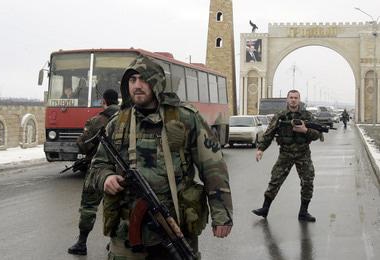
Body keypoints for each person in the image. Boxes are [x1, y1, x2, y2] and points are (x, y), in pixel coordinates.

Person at [88, 56, 233, 259]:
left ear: (156, 82)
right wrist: (106, 178)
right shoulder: (118, 122)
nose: (137, 86)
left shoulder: (185, 118)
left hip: (173, 224)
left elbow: (213, 167)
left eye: (143, 79)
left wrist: (222, 215)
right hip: (127, 229)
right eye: (132, 80)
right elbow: (97, 166)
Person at [253, 89, 320, 222]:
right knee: (275, 180)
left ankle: (303, 212)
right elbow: (269, 133)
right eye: (291, 97)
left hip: (303, 154)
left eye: (296, 98)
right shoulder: (280, 116)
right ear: (287, 100)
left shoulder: (307, 116)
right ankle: (265, 209)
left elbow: (318, 134)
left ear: (299, 100)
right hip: (286, 153)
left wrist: (305, 130)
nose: (293, 100)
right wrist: (261, 149)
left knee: (307, 181)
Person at [67, 89, 120, 255]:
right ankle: (114, 243)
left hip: (97, 169)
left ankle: (81, 243)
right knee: (116, 207)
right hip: (119, 171)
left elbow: (83, 144)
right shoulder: (127, 119)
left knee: (88, 207)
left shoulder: (97, 120)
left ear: (104, 101)